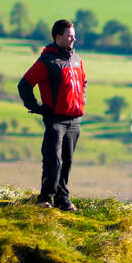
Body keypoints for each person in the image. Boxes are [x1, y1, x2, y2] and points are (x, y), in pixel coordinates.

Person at [17, 19, 86, 211]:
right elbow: (24, 84)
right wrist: (36, 107)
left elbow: (84, 83)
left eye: (74, 35)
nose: (74, 38)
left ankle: (63, 200)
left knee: (67, 161)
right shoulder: (47, 60)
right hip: (55, 119)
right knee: (53, 159)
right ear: (58, 37)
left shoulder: (76, 60)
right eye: (69, 35)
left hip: (74, 120)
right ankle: (45, 199)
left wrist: (82, 101)